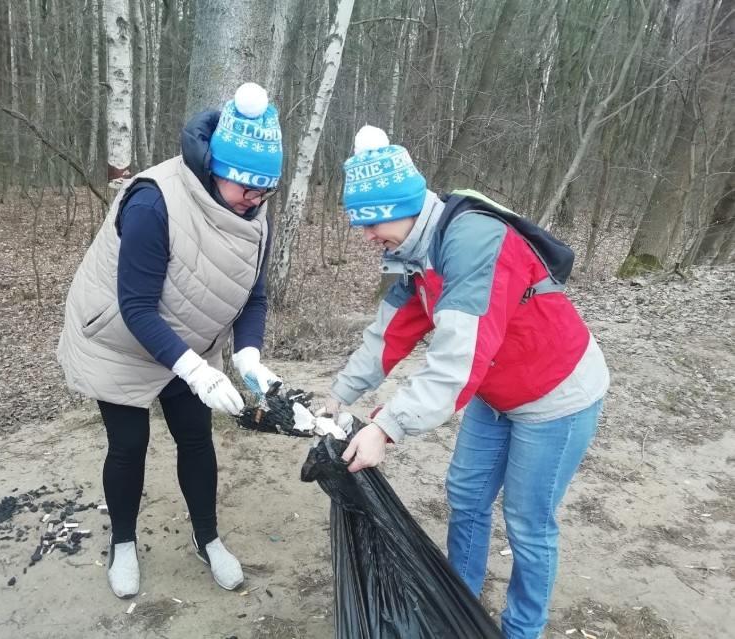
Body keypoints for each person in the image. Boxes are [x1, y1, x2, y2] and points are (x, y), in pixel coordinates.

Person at [322, 125, 610, 639]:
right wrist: (339, 393)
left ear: (405, 205)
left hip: (556, 394)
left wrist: (385, 428)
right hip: (496, 393)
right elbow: (391, 333)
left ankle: (522, 630)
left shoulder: (473, 241)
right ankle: (459, 606)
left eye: (372, 223)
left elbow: (458, 360)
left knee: (527, 522)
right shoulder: (418, 254)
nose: (367, 237)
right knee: (467, 495)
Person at [57, 82, 283, 599]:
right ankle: (123, 544)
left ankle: (208, 538)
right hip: (116, 340)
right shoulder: (153, 201)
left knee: (196, 439)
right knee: (129, 445)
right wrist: (198, 371)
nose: (256, 202)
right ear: (214, 168)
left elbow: (253, 294)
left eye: (265, 191)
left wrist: (246, 357)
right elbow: (135, 306)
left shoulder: (255, 212)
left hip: (188, 339)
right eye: (247, 189)